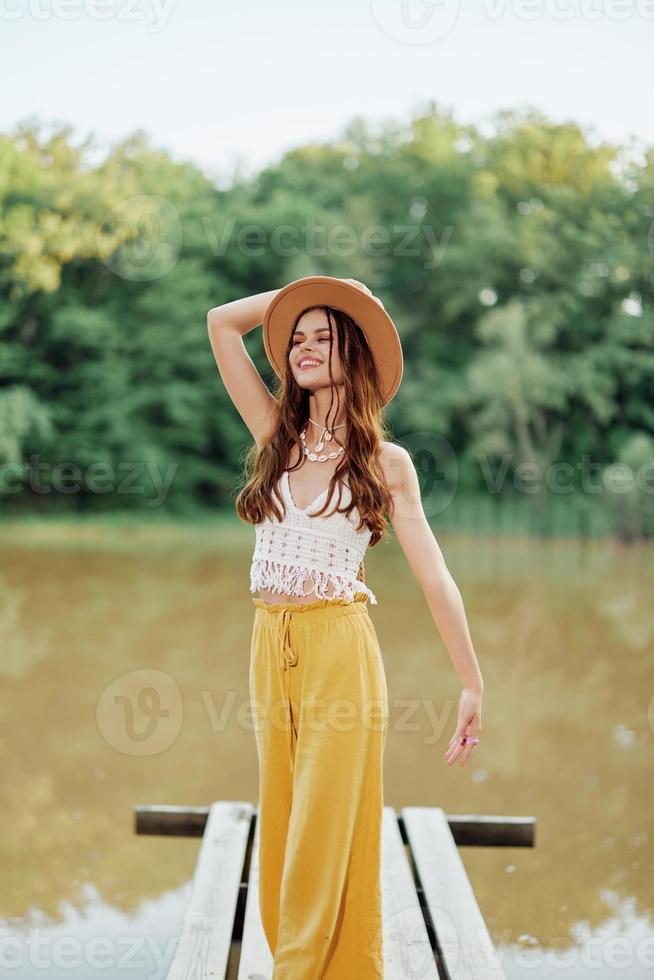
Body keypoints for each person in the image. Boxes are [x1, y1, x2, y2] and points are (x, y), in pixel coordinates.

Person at [207, 275, 484, 979]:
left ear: (353, 352)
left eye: (323, 337)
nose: (302, 348)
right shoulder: (276, 434)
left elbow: (434, 576)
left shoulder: (386, 464)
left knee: (324, 831)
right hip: (269, 645)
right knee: (285, 817)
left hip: (339, 649)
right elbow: (219, 322)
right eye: (296, 339)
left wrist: (472, 681)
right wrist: (308, 296)